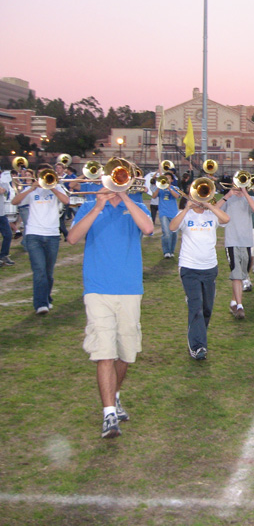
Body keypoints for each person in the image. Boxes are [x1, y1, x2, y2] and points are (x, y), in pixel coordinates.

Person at [66, 184, 154, 439]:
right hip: (97, 289)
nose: (114, 185)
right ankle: (108, 415)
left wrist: (125, 197)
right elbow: (72, 238)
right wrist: (98, 206)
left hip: (129, 289)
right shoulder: (89, 206)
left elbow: (148, 229)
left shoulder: (136, 205)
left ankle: (114, 398)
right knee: (105, 352)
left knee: (125, 353)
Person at [170, 195, 230, 360]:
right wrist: (186, 209)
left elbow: (226, 219)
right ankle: (198, 346)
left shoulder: (212, 214)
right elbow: (172, 227)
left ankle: (198, 335)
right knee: (196, 306)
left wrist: (210, 206)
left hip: (210, 268)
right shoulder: (185, 214)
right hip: (189, 267)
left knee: (207, 308)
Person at [12, 165, 71, 314]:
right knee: (39, 271)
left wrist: (52, 187)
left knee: (48, 272)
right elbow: (15, 201)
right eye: (40, 175)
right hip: (34, 234)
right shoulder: (31, 190)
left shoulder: (57, 187)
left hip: (52, 234)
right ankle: (40, 304)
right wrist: (31, 188)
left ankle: (46, 298)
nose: (43, 178)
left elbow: (66, 201)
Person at [218, 182, 254, 319]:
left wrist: (245, 193)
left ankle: (233, 301)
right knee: (236, 274)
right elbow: (215, 209)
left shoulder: (250, 198)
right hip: (232, 241)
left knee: (242, 273)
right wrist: (228, 195)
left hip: (246, 241)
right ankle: (240, 306)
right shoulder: (229, 199)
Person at [156, 171, 181, 258]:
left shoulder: (175, 187)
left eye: (169, 178)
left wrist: (169, 188)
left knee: (174, 233)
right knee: (166, 233)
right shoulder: (160, 189)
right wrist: (159, 187)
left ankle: (171, 251)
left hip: (174, 213)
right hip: (163, 213)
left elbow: (177, 196)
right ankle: (166, 251)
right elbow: (153, 196)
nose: (167, 180)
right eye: (165, 178)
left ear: (172, 180)